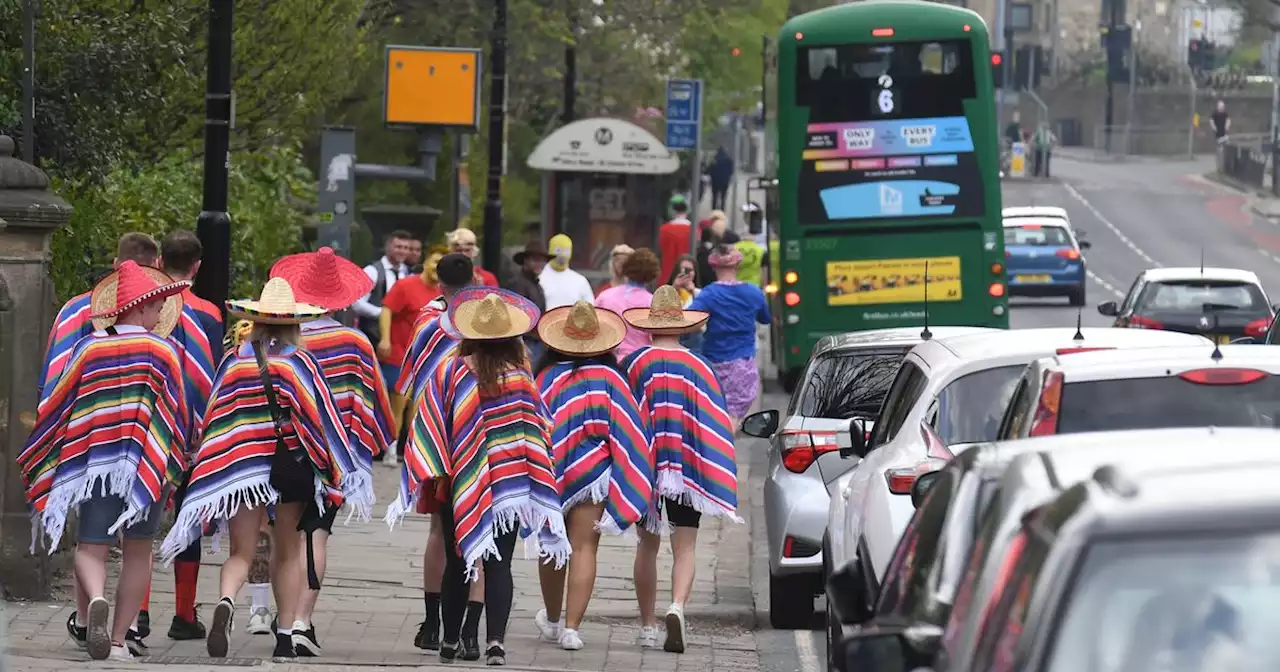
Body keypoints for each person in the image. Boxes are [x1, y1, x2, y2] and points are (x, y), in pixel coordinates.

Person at [160, 278, 370, 662]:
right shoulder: (299, 362)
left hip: (239, 470)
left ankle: (226, 599)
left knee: (241, 552)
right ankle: (286, 636)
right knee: (288, 552)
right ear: (294, 322)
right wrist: (333, 470)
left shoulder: (235, 359)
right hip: (286, 468)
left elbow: (215, 416)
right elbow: (319, 419)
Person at [385, 288, 569, 666]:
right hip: (508, 486)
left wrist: (439, 468)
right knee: (499, 563)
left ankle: (450, 641)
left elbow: (430, 426)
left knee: (459, 562)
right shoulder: (520, 377)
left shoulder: (449, 371)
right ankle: (495, 644)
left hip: (458, 484)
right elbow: (537, 431)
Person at [20, 261, 191, 661]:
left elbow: (61, 404)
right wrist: (173, 461)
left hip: (94, 466)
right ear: (143, 308)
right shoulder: (164, 351)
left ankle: (95, 599)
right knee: (137, 551)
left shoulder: (89, 348)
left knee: (90, 547)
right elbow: (176, 412)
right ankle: (116, 643)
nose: (160, 316)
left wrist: (49, 451)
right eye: (157, 308)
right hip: (146, 467)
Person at [269, 247, 394, 656]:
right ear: (341, 296)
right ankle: (303, 620)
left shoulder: (280, 338)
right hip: (335, 458)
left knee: (283, 540)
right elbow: (374, 401)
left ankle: (283, 617)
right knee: (316, 533)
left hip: (286, 451)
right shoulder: (355, 341)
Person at [620, 285, 739, 654]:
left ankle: (646, 625)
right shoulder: (699, 366)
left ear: (650, 326)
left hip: (646, 468)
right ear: (683, 326)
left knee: (647, 545)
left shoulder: (635, 363)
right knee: (685, 547)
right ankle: (677, 606)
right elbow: (715, 422)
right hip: (687, 471)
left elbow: (624, 416)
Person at [531, 301, 653, 651]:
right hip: (594, 475)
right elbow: (629, 434)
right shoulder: (612, 378)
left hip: (549, 475)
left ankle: (553, 620)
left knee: (551, 546)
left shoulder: (544, 378)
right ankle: (572, 628)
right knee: (585, 547)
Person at [392, 253, 490, 655]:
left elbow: (412, 377)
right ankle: (469, 628)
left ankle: (432, 623)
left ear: (439, 285)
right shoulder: (489, 319)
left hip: (437, 434)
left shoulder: (429, 322)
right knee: (479, 527)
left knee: (438, 530)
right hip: (480, 435)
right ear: (475, 279)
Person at [157, 230, 224, 642]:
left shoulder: (145, 307)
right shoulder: (209, 314)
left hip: (150, 423)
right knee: (188, 515)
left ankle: (139, 614)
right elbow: (210, 373)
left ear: (161, 261)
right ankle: (184, 614)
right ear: (197, 266)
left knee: (139, 522)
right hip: (191, 429)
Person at [38, 232, 160, 405]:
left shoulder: (76, 311)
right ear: (156, 264)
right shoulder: (167, 312)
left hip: (84, 418)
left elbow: (54, 382)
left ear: (116, 264)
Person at [378, 246, 447, 465]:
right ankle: (391, 448)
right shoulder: (406, 285)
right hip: (401, 352)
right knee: (399, 404)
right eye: (435, 262)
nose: (437, 268)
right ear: (426, 262)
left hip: (427, 359)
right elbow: (387, 309)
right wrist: (385, 338)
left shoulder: (443, 292)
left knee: (419, 407)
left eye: (442, 265)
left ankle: (411, 450)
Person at [690, 246, 771, 425]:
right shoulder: (754, 292)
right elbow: (765, 319)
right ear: (737, 266)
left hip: (714, 364)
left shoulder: (709, 294)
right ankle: (725, 449)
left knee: (714, 416)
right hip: (743, 363)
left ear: (714, 267)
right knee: (733, 417)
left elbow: (689, 318)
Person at [594, 248, 661, 361]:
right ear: (652, 274)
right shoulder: (653, 303)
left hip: (608, 360)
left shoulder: (605, 296)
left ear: (626, 268)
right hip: (640, 361)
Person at [353, 230, 413, 350]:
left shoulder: (408, 273)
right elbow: (357, 303)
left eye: (406, 248)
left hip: (399, 340)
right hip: (372, 336)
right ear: (387, 247)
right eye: (398, 247)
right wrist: (383, 314)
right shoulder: (372, 271)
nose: (402, 251)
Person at [507, 241, 550, 364]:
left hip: (537, 342)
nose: (540, 264)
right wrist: (518, 344)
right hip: (525, 342)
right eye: (535, 260)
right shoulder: (517, 284)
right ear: (525, 260)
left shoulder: (537, 286)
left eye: (543, 261)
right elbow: (513, 319)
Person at [539, 234, 594, 310]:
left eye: (566, 251)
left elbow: (590, 310)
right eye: (558, 250)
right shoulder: (539, 278)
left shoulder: (580, 281)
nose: (562, 255)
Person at [667, 255, 703, 353]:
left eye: (689, 270)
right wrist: (674, 288)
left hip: (694, 339)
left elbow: (703, 315)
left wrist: (692, 292)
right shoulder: (667, 290)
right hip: (672, 337)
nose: (686, 273)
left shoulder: (700, 293)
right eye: (683, 269)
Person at [658, 200, 694, 283]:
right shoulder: (692, 230)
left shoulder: (664, 229)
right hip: (687, 271)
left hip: (667, 271)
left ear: (674, 211)